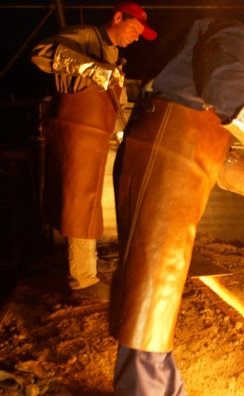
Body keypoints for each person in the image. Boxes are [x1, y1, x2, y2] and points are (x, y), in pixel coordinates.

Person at [109, 17, 244, 395]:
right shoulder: (231, 35)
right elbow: (227, 94)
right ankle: (143, 387)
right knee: (150, 285)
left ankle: (161, 382)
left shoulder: (203, 89)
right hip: (163, 164)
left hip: (170, 164)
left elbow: (216, 159)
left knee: (157, 284)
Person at [30, 1, 157, 303]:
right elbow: (41, 54)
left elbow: (107, 99)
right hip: (75, 133)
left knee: (86, 205)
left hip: (94, 137)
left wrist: (119, 132)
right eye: (135, 29)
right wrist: (97, 70)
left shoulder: (114, 55)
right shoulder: (86, 35)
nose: (136, 37)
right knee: (79, 206)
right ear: (117, 18)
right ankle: (82, 281)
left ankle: (87, 270)